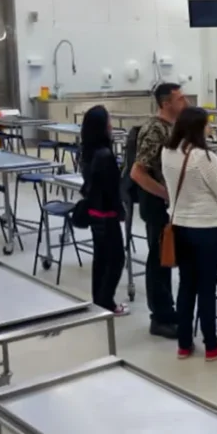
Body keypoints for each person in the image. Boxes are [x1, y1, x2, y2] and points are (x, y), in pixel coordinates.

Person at [161, 107, 217, 362]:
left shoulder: (167, 152)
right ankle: (211, 345)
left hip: (179, 226)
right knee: (206, 288)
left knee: (186, 285)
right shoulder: (203, 157)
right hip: (206, 230)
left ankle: (183, 343)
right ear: (198, 127)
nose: (210, 128)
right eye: (207, 124)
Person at [131, 82, 187, 339]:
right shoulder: (154, 130)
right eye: (180, 99)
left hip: (171, 206)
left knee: (167, 259)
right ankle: (160, 317)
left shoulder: (173, 127)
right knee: (158, 260)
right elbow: (138, 173)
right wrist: (166, 194)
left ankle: (169, 310)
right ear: (166, 103)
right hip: (156, 206)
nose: (184, 103)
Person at [79, 105, 127, 317]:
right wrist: (121, 211)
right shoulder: (105, 155)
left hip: (93, 212)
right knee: (116, 259)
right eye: (108, 120)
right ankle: (107, 301)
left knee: (101, 258)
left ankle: (99, 299)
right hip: (107, 213)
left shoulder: (87, 153)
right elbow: (111, 189)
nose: (111, 124)